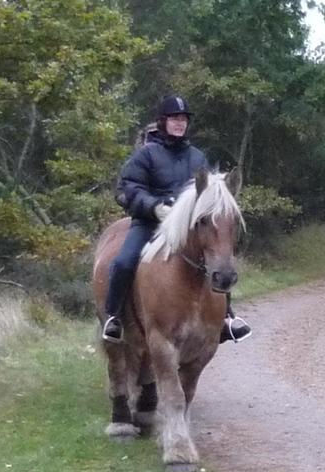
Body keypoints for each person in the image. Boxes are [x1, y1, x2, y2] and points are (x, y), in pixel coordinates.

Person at [102, 95, 251, 345]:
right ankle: (113, 316)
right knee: (124, 261)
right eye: (174, 119)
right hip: (150, 222)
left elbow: (209, 195)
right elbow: (127, 189)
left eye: (183, 119)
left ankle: (226, 317)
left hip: (186, 227)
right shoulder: (145, 156)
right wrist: (154, 207)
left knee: (218, 258)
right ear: (163, 122)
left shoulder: (197, 158)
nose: (180, 123)